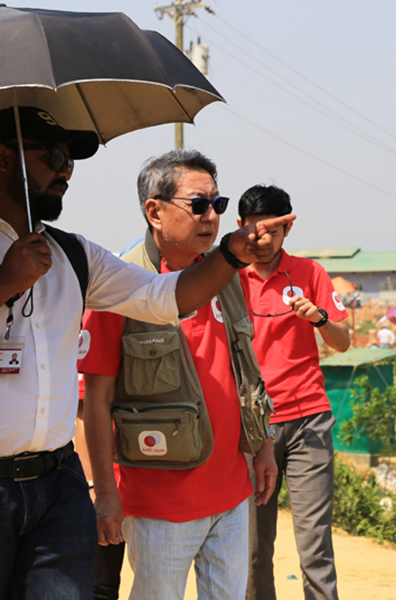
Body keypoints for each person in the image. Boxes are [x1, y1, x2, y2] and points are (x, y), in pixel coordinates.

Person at [0, 106, 292, 600]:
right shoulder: (32, 261)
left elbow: (164, 297)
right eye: (53, 156)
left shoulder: (76, 257)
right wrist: (6, 281)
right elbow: (96, 398)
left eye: (71, 159)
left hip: (57, 486)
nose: (66, 170)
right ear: (4, 158)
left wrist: (228, 255)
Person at [78, 150, 278, 600]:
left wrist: (263, 446)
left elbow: (248, 369)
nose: (212, 217)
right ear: (155, 210)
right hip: (159, 507)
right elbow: (94, 402)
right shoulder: (119, 286)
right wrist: (104, 494)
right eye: (198, 204)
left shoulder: (228, 275)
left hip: (231, 492)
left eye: (217, 204)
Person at [238, 184, 351, 600]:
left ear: (288, 227)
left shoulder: (310, 273)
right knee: (251, 551)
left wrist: (319, 318)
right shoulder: (228, 279)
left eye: (270, 231)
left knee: (315, 548)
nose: (260, 240)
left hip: (308, 423)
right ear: (239, 227)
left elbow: (342, 342)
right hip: (251, 427)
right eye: (253, 230)